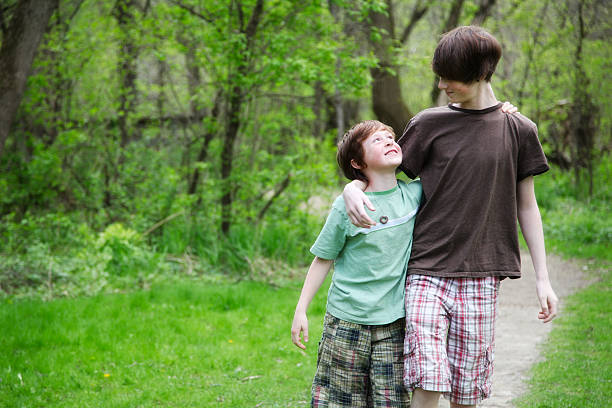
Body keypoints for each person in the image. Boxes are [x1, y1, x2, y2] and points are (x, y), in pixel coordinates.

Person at [342, 26, 559, 408]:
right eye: (439, 75)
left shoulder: (519, 129)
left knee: (466, 387)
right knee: (426, 375)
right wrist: (351, 189)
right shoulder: (429, 124)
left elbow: (527, 204)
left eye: (451, 77)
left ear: (482, 72)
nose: (442, 84)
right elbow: (381, 175)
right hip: (426, 267)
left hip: (483, 273)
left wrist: (543, 279)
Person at [291, 120, 422, 407]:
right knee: (340, 400)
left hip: (393, 322)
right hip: (346, 321)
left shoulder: (414, 195)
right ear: (357, 162)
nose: (389, 140)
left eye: (391, 137)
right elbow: (323, 258)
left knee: (392, 400)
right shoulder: (346, 206)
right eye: (377, 140)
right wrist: (301, 309)